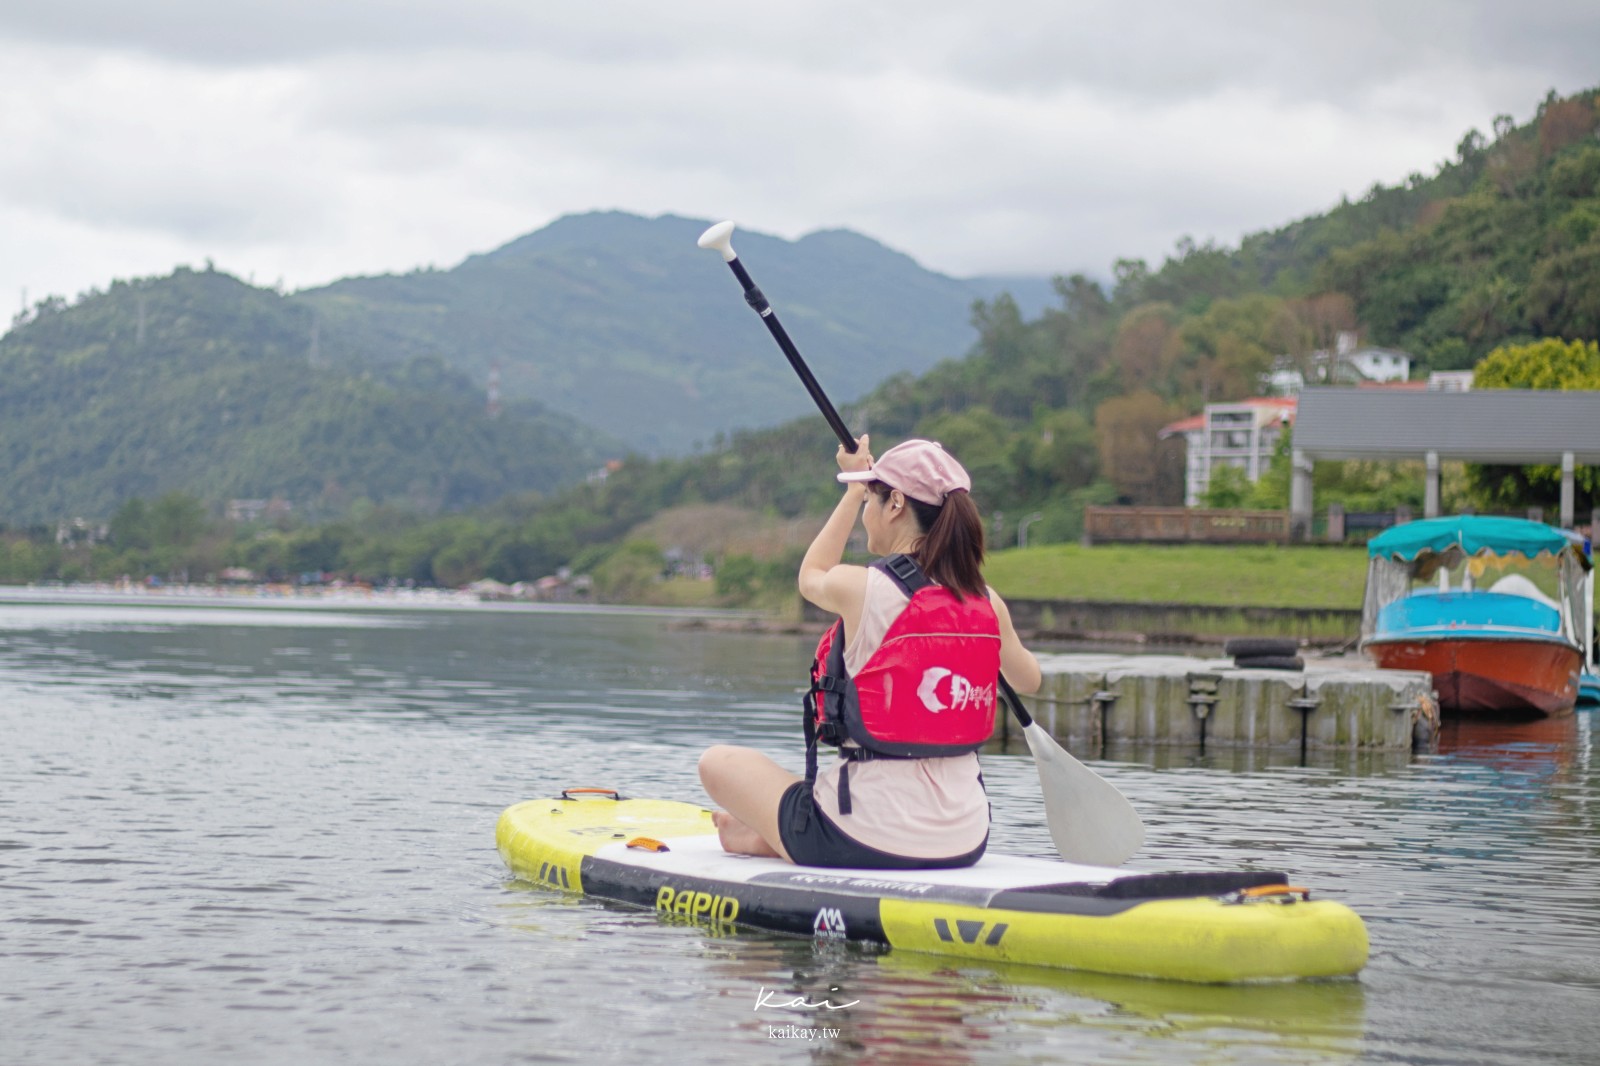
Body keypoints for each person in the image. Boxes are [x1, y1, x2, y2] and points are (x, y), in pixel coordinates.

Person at [699, 436, 1041, 869]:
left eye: (871, 502)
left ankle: (765, 835)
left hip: (860, 836)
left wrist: (852, 487)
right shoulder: (985, 601)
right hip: (965, 842)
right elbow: (1029, 680)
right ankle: (761, 834)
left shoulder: (862, 587)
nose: (865, 515)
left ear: (895, 504)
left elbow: (811, 576)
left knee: (718, 762)